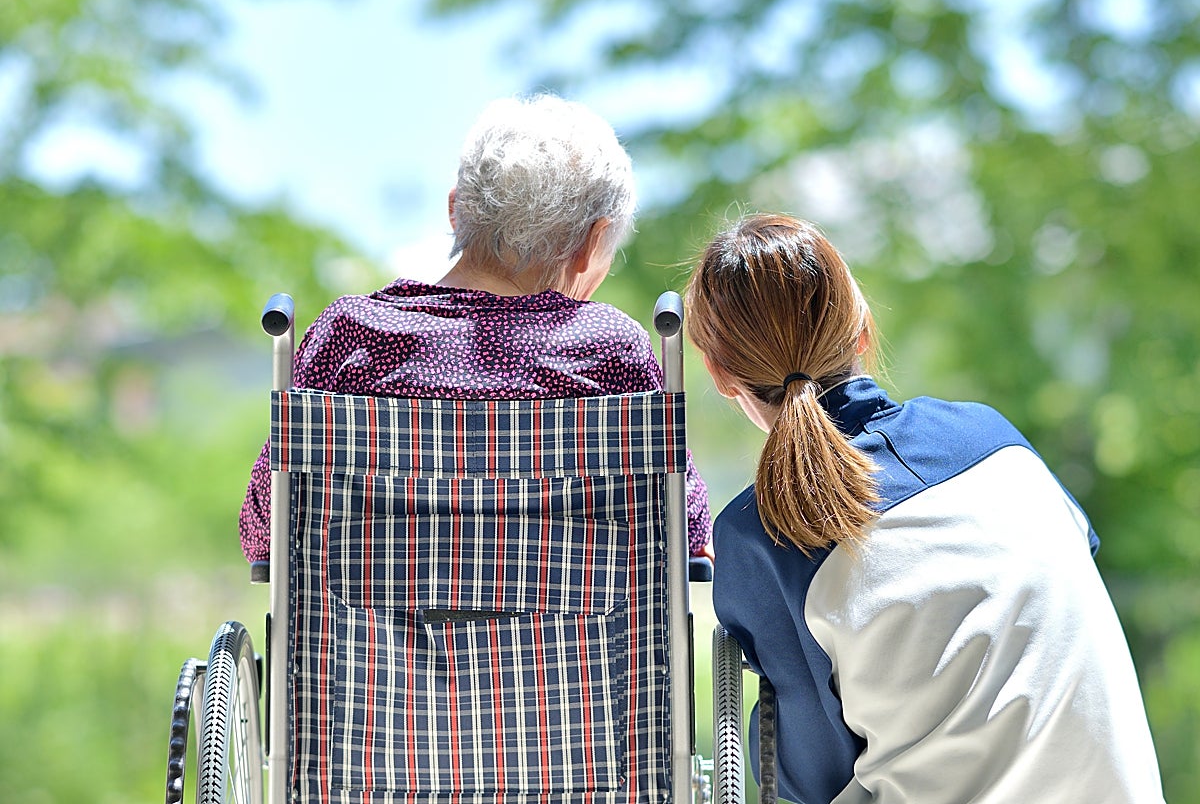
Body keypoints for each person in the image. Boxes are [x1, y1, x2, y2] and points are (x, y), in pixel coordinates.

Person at [686, 213, 1164, 803]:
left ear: (720, 373)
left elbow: (809, 775)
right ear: (861, 327)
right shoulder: (995, 442)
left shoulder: (764, 534)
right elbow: (1071, 564)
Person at [239, 93, 712, 561]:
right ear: (592, 243)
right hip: (572, 638)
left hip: (370, 638)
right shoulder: (612, 351)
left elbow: (265, 529)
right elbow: (686, 529)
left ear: (454, 211)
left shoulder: (348, 336)